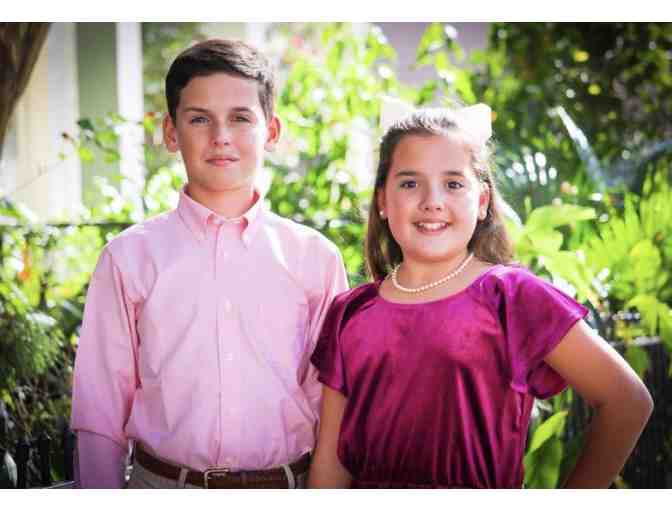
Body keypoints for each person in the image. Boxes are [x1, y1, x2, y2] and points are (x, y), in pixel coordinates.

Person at [307, 100, 653, 489]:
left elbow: (627, 401)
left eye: (453, 184)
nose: (432, 200)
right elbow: (330, 465)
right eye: (409, 183)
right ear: (383, 201)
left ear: (483, 201)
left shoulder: (514, 297)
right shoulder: (351, 312)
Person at [70, 39, 349, 489]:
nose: (221, 136)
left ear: (271, 131)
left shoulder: (314, 259)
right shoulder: (128, 259)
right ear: (171, 132)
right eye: (199, 118)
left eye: (240, 118)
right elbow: (100, 409)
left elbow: (331, 404)